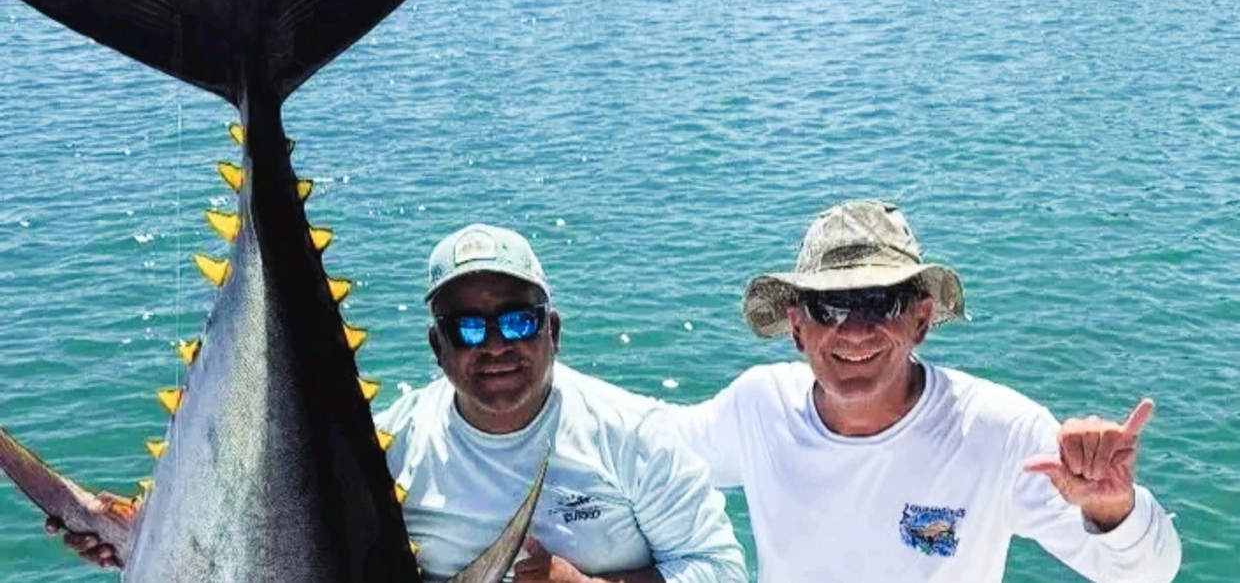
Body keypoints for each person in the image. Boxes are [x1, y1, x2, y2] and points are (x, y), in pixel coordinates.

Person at [48, 223, 748, 583]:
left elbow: (722, 570)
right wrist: (138, 539)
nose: (495, 344)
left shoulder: (633, 437)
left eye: (517, 320)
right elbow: (283, 524)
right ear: (437, 348)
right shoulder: (389, 447)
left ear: (553, 331)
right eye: (466, 327)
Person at [663, 198, 1183, 583]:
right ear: (798, 329)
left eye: (880, 302)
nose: (855, 331)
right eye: (830, 307)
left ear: (921, 320)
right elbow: (650, 442)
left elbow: (1149, 573)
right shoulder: (758, 406)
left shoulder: (999, 431)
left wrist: (1112, 507)